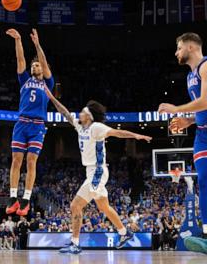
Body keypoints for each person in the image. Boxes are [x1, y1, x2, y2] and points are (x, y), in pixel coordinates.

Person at [44, 87, 152, 254]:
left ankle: (82, 241)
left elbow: (117, 133)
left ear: (89, 116)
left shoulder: (96, 127)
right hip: (91, 172)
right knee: (90, 207)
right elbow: (64, 112)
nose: (79, 113)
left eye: (82, 112)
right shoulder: (80, 127)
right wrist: (51, 97)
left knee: (88, 206)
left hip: (98, 171)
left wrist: (136, 136)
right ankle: (122, 233)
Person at [158, 32, 207, 254]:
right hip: (201, 134)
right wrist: (188, 120)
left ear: (189, 47)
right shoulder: (189, 77)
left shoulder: (206, 66)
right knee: (204, 181)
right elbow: (202, 109)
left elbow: (206, 100)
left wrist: (176, 109)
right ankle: (206, 234)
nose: (176, 52)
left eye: (178, 48)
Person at [5, 28, 54, 216]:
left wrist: (36, 44)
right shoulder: (24, 79)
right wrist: (18, 40)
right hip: (22, 123)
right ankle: (12, 198)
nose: (35, 67)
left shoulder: (48, 83)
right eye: (33, 66)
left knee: (31, 161)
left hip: (37, 126)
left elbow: (45, 63)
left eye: (37, 65)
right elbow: (20, 61)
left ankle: (26, 199)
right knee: (16, 160)